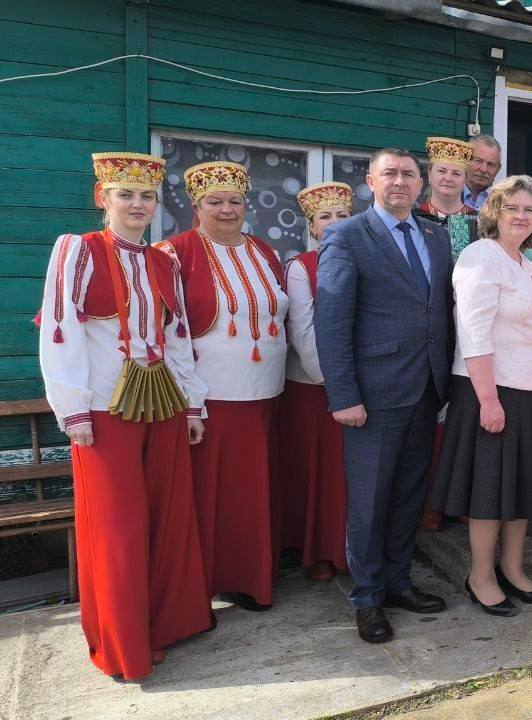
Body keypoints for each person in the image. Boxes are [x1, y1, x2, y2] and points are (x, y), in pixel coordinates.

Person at [38, 152, 211, 681]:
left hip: (162, 404)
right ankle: (123, 644)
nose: (138, 204)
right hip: (103, 410)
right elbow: (60, 329)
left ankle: (163, 626)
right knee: (117, 527)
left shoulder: (164, 262)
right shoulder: (78, 250)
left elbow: (177, 337)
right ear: (103, 198)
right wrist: (72, 409)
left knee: (167, 518)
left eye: (147, 196)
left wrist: (192, 403)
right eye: (126, 194)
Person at [315, 148, 453, 644]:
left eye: (409, 174)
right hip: (373, 396)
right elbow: (331, 322)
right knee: (370, 503)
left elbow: (441, 310)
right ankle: (367, 597)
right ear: (370, 181)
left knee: (408, 496)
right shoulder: (347, 235)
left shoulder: (436, 236)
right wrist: (343, 395)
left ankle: (398, 582)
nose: (400, 181)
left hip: (426, 390)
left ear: (421, 184)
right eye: (389, 173)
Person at [159, 161, 288, 615]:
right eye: (215, 201)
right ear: (196, 206)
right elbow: (168, 334)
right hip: (212, 396)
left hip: (267, 393)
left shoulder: (263, 251)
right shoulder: (174, 253)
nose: (227, 209)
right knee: (215, 494)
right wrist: (188, 402)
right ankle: (210, 582)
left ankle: (253, 577)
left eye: (235, 201)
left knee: (254, 491)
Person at [431, 175, 532, 617]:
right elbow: (473, 332)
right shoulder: (480, 256)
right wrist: (488, 399)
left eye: (529, 210)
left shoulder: (524, 263)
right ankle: (481, 576)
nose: (521, 216)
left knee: (521, 485)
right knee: (488, 490)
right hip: (489, 388)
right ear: (495, 212)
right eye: (513, 208)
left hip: (527, 389)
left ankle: (513, 568)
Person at [277, 182, 354, 584]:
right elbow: (303, 331)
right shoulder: (301, 267)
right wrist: (335, 382)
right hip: (314, 385)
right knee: (319, 471)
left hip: (358, 384)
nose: (335, 223)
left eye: (343, 215)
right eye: (326, 216)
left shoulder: (364, 260)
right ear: (311, 226)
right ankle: (318, 550)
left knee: (351, 471)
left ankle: (351, 546)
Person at [417, 136, 478, 261]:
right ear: (429, 174)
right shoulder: (414, 218)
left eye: (456, 173)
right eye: (441, 171)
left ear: (465, 179)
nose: (448, 178)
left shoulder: (479, 221)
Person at [462, 133, 502, 212]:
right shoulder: (447, 196)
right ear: (465, 160)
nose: (484, 169)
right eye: (478, 161)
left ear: (498, 169)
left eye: (491, 164)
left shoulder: (501, 205)